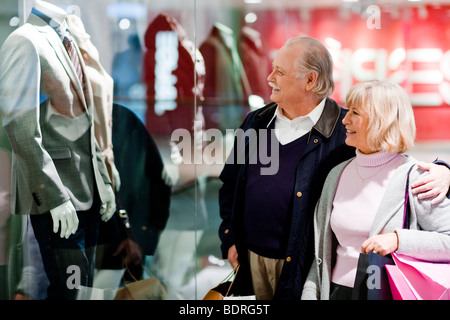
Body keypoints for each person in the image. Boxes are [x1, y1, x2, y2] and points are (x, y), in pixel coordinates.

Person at [218, 37, 450, 300]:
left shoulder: (343, 130)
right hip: (253, 262)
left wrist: (445, 171)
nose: (270, 78)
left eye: (280, 72)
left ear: (310, 80)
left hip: (309, 270)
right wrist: (229, 238)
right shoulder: (256, 122)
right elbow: (230, 183)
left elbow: (393, 159)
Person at [0, 0, 115, 299]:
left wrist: (103, 183)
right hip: (58, 195)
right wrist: (52, 194)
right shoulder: (25, 41)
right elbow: (19, 125)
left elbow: (87, 124)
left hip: (87, 191)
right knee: (69, 290)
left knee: (83, 287)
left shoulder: (69, 39)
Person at [301, 80, 450, 300]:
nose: (345, 119)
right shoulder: (336, 174)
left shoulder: (416, 178)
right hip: (335, 293)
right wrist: (310, 293)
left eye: (355, 113)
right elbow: (323, 253)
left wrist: (399, 240)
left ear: (381, 121)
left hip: (385, 293)